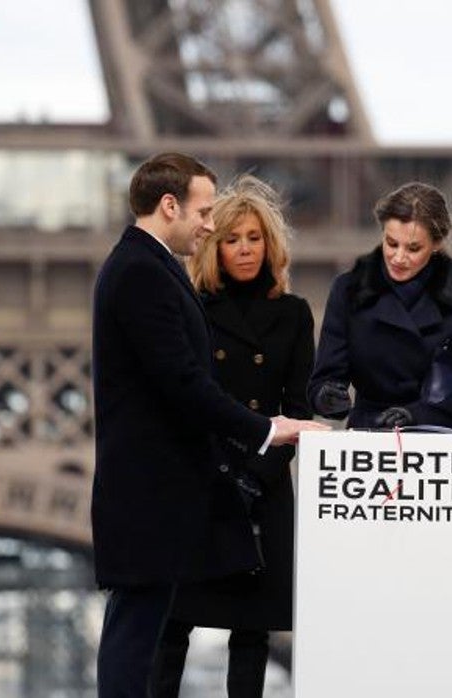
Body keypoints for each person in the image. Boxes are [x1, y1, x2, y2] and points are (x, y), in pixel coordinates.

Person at [91, 153, 327, 698]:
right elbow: (183, 383)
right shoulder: (140, 272)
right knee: (138, 635)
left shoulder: (148, 267)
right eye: (202, 212)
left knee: (143, 628)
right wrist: (268, 429)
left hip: (163, 490)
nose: (208, 224)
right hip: (151, 490)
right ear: (168, 205)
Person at [148, 175, 313, 698]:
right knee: (173, 623)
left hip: (262, 486)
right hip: (204, 483)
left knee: (253, 630)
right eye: (231, 239)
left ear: (270, 243)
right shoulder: (190, 306)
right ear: (213, 245)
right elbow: (186, 397)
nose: (244, 249)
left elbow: (298, 407)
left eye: (254, 238)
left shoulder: (293, 315)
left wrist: (261, 470)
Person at [307, 181, 452, 430]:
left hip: (435, 441)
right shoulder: (347, 290)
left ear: (437, 244)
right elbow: (324, 379)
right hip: (367, 440)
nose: (398, 258)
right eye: (391, 243)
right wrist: (326, 397)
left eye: (413, 248)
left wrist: (419, 416)